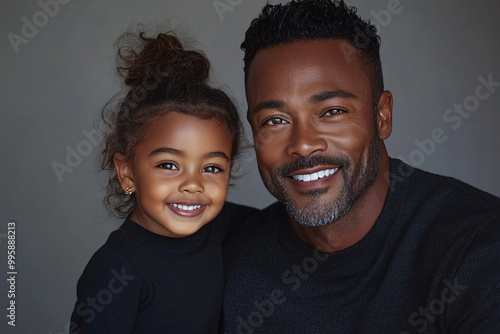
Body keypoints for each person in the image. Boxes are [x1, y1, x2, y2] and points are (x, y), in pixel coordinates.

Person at [222, 0, 500, 332]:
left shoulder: (478, 247)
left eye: (332, 112)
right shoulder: (229, 264)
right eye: (275, 120)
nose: (303, 144)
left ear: (382, 116)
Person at [70, 30, 256, 333]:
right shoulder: (116, 270)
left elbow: (288, 228)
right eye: (169, 165)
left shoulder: (224, 224)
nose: (193, 184)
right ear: (127, 172)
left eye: (212, 168)